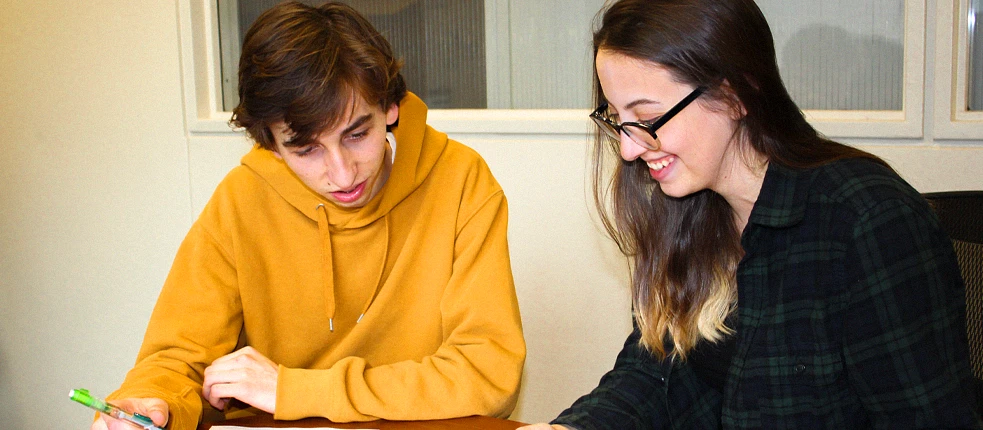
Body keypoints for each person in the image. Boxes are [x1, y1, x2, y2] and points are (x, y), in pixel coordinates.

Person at [521, 0, 981, 428]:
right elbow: (656, 371)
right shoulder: (685, 207)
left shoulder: (868, 223)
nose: (627, 148)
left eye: (647, 118)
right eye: (617, 120)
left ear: (736, 94)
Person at [93, 2, 525, 429]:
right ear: (269, 145)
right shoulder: (242, 200)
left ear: (390, 108)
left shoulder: (461, 181)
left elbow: (487, 373)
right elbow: (175, 362)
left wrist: (291, 390)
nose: (342, 172)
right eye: (306, 150)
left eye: (357, 134)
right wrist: (151, 403)